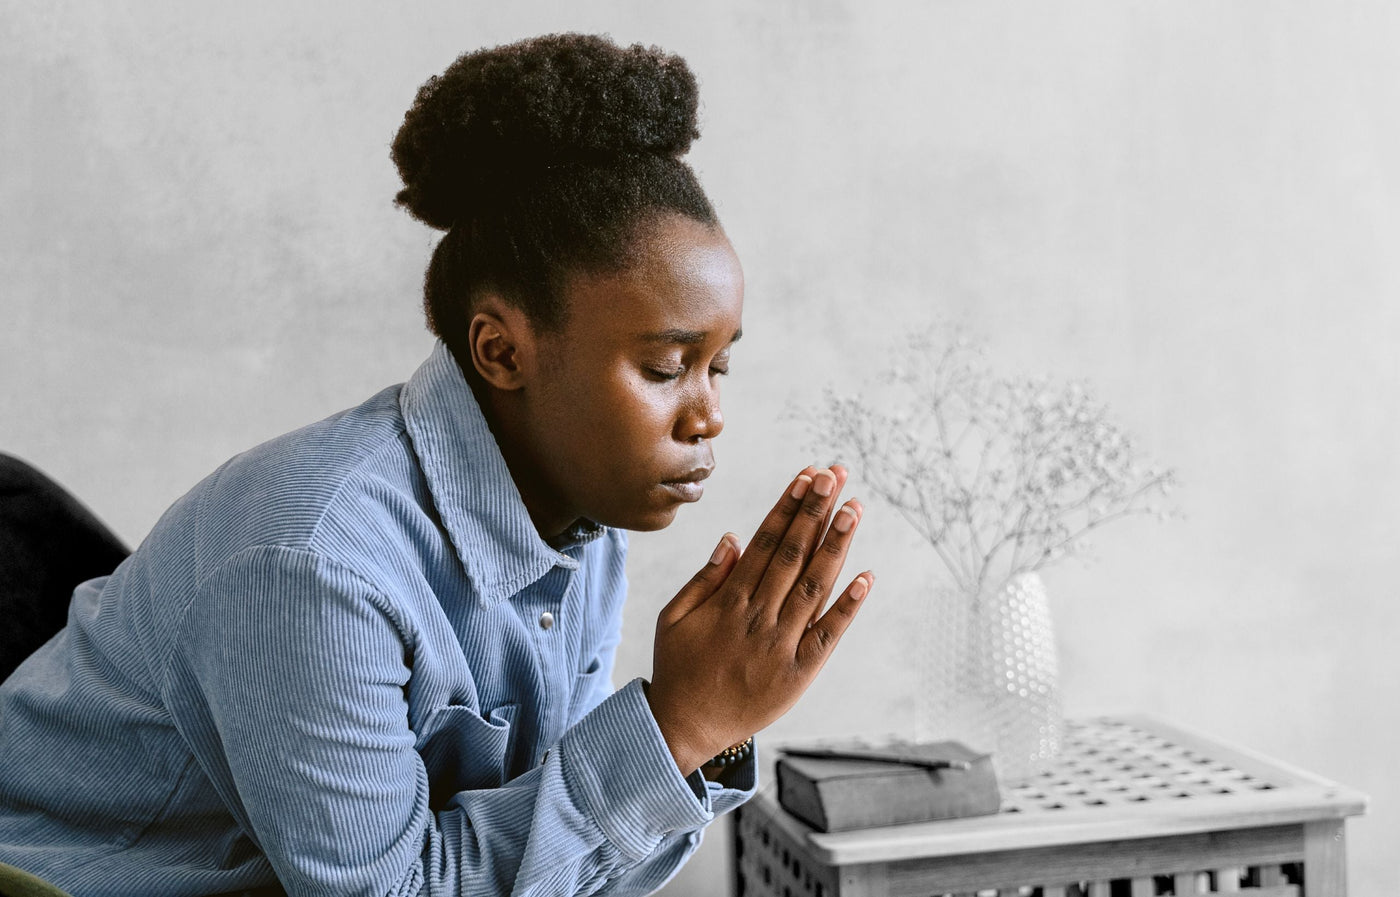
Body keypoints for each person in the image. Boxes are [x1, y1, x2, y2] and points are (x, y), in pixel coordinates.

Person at [0, 33, 873, 896]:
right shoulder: (313, 561)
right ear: (501, 351)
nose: (709, 412)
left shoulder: (582, 520)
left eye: (718, 364)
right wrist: (678, 727)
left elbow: (543, 859)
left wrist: (690, 725)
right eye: (663, 366)